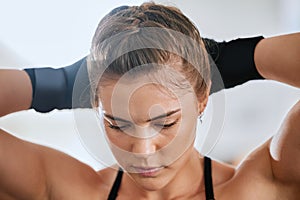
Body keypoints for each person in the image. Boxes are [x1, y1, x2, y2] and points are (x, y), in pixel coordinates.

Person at [0, 2, 299, 200]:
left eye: (164, 122)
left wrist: (234, 58)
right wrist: (61, 84)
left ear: (202, 98)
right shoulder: (70, 191)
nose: (142, 151)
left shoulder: (258, 189)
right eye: (117, 125)